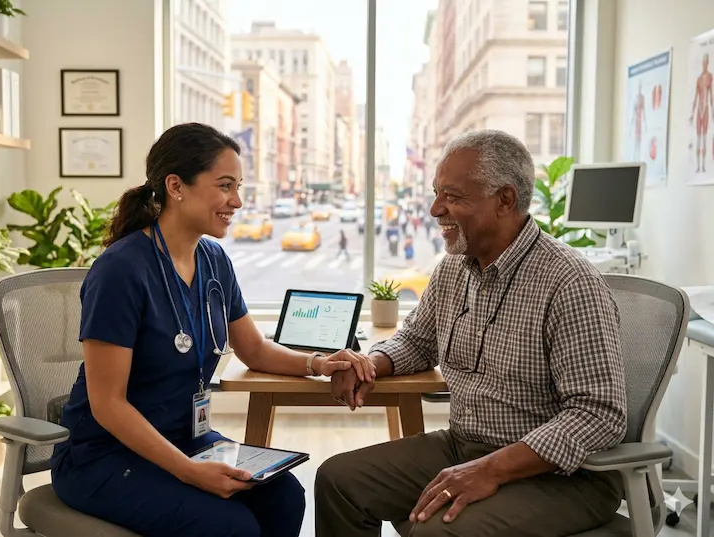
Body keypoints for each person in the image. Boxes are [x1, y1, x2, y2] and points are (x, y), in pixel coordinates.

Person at [50, 122, 376, 537]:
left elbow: (254, 350)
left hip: (187, 439)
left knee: (285, 496)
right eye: (225, 186)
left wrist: (319, 362)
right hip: (104, 456)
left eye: (238, 187)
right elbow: (107, 405)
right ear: (176, 186)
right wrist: (188, 472)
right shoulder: (120, 271)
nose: (236, 201)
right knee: (230, 527)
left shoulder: (213, 259)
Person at [314, 129, 628, 537]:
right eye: (436, 193)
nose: (433, 209)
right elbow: (418, 341)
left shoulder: (569, 281)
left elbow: (599, 415)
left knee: (433, 532)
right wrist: (370, 364)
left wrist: (492, 468)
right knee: (339, 481)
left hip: (563, 477)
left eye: (453, 196)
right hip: (465, 446)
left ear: (505, 200)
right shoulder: (453, 269)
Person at [690, 52, 713, 173]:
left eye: (706, 62)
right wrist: (692, 113)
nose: (704, 64)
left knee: (704, 137)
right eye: (703, 62)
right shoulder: (698, 79)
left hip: (706, 109)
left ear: (708, 63)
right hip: (699, 109)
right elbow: (695, 96)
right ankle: (698, 166)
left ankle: (703, 165)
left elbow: (711, 95)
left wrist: (713, 111)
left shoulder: (710, 76)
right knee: (698, 137)